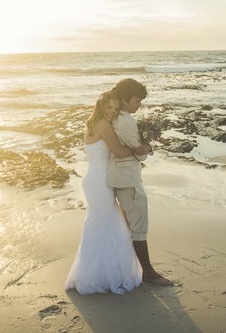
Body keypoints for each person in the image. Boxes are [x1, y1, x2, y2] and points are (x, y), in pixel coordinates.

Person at [65, 91, 152, 295]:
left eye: (115, 108)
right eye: (108, 107)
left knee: (103, 226)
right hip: (98, 182)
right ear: (100, 107)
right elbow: (120, 151)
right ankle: (97, 277)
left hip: (98, 180)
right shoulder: (103, 125)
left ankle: (99, 274)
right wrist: (141, 147)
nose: (112, 112)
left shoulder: (94, 123)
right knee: (103, 227)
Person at [108, 78, 173, 286]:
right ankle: (148, 272)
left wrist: (143, 147)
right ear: (125, 100)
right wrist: (147, 148)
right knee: (139, 225)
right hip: (127, 179)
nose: (140, 105)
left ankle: (137, 267)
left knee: (132, 224)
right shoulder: (124, 120)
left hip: (123, 175)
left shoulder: (118, 116)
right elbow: (139, 151)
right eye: (137, 100)